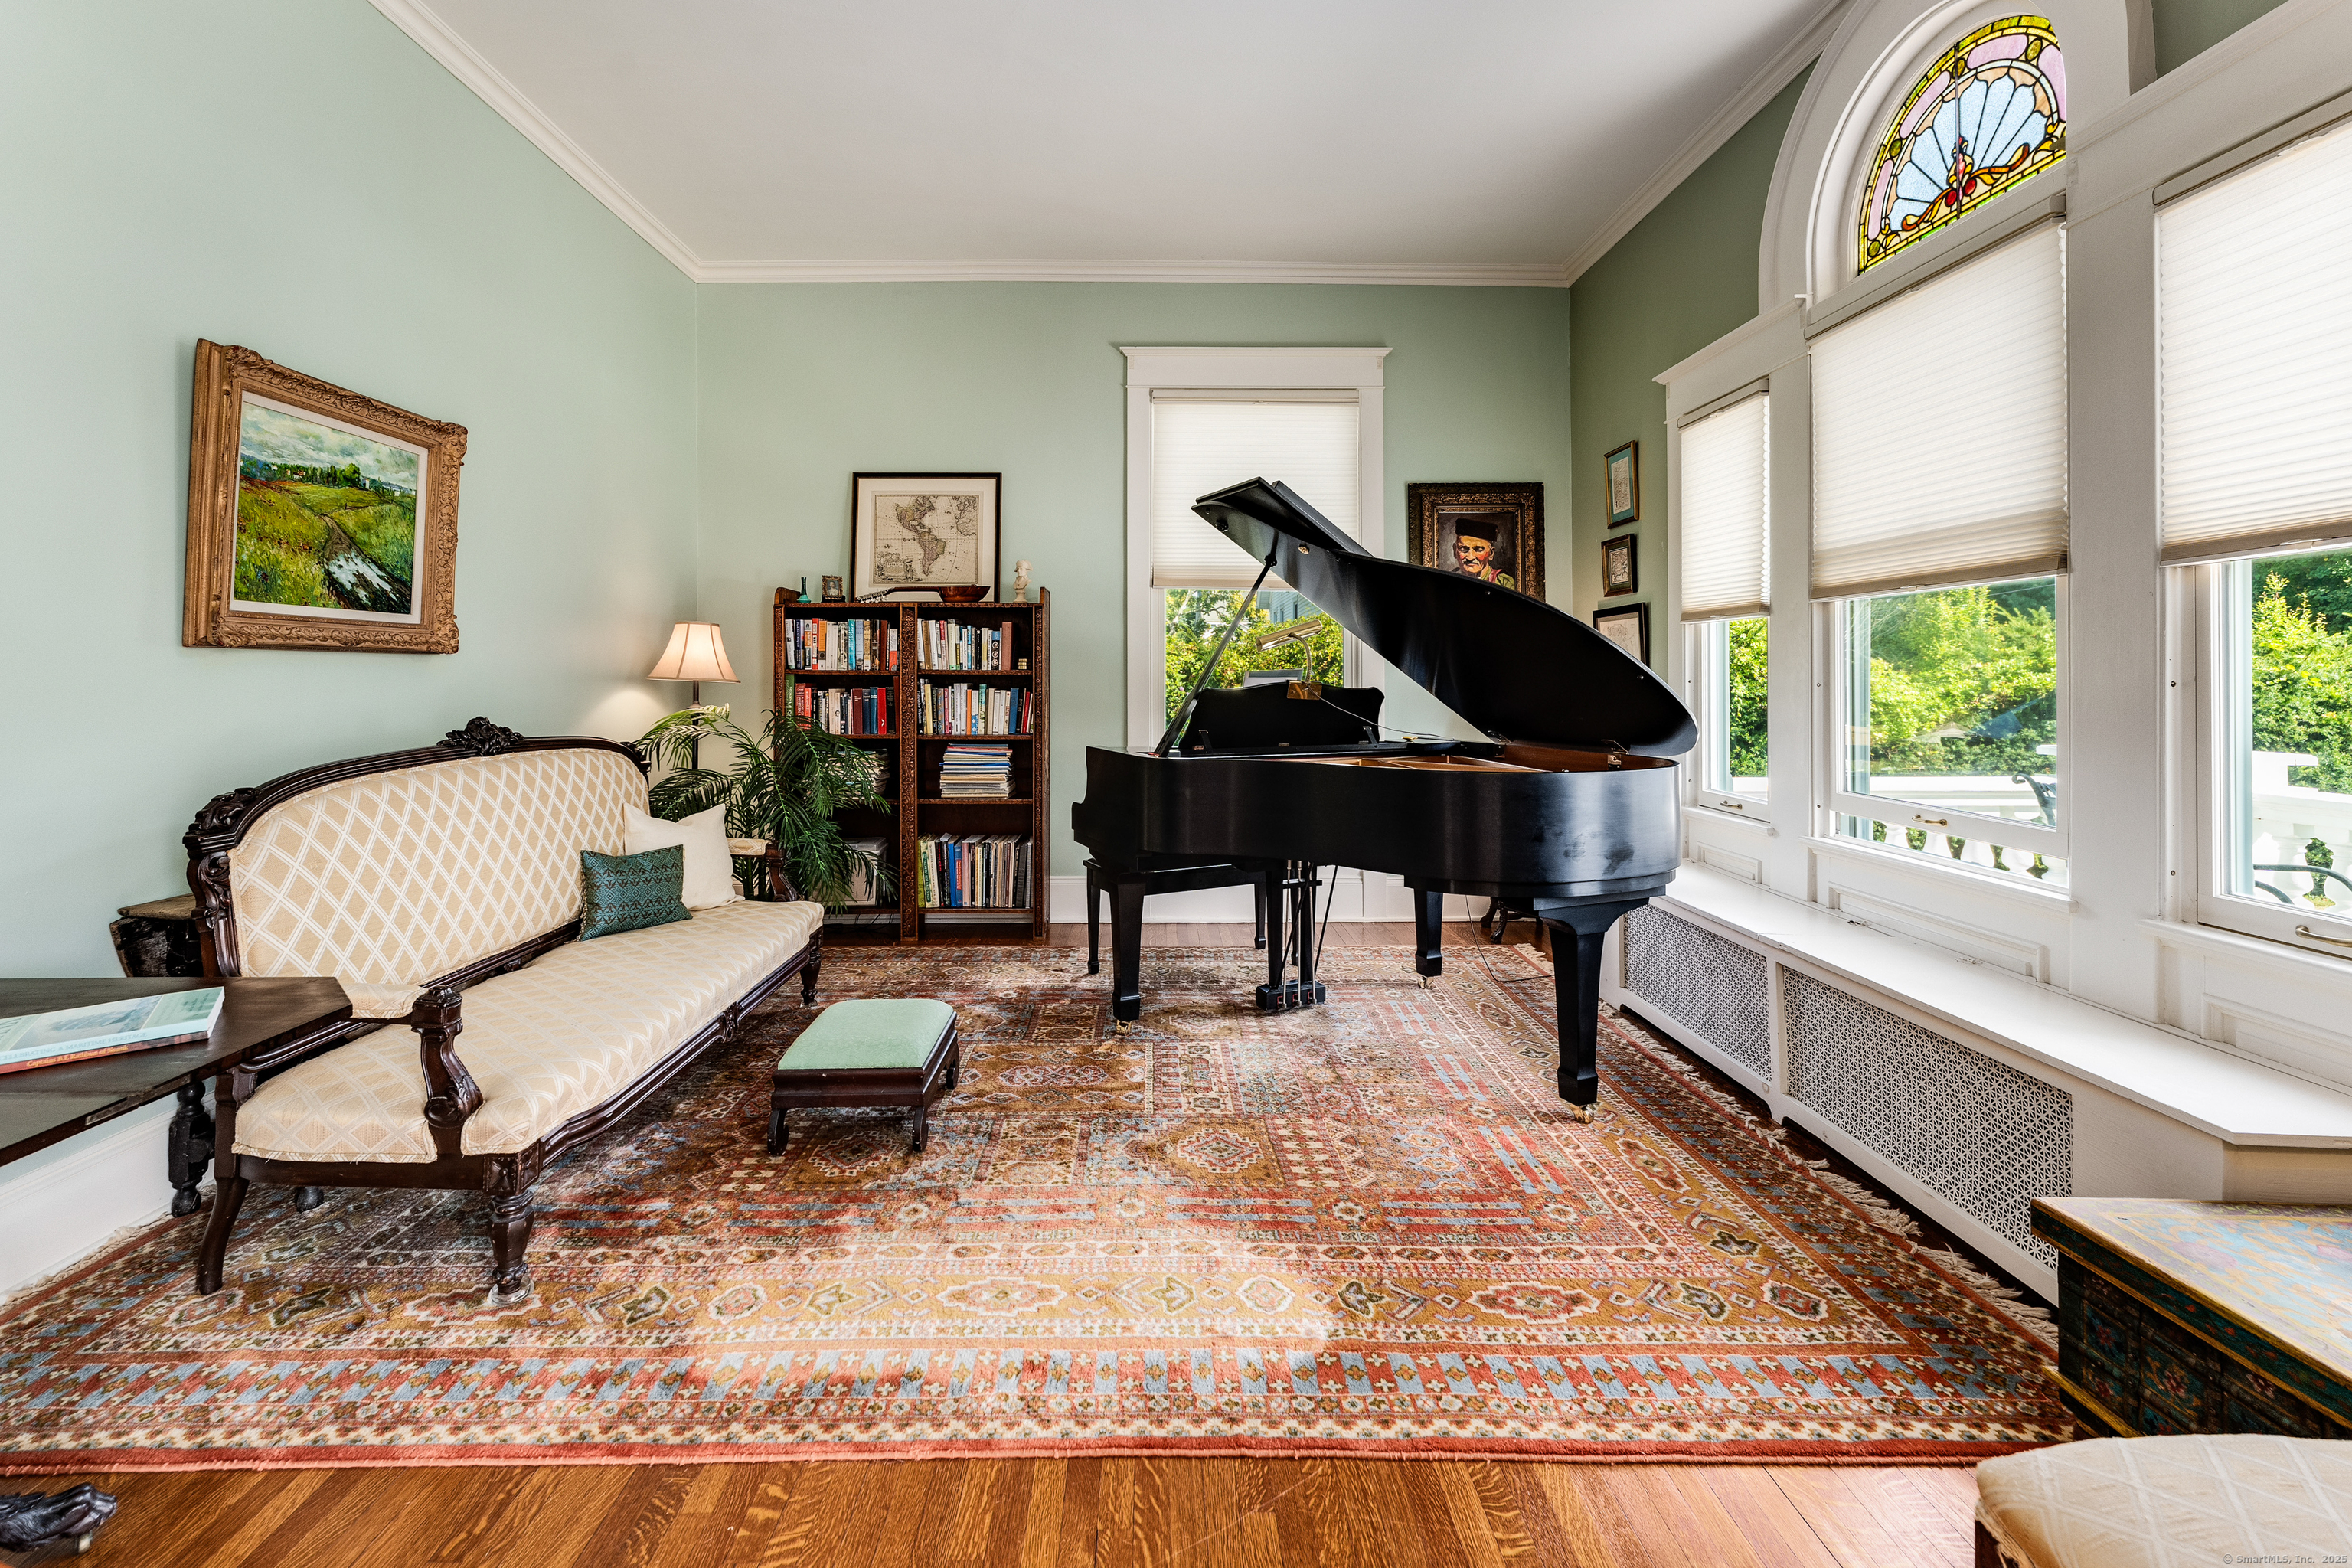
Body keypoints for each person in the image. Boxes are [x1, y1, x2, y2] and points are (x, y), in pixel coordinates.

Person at [1450, 516, 1516, 590]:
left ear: (1491, 554)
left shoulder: (1504, 583)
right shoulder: (1448, 581)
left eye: (1479, 550)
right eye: (1463, 549)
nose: (1470, 557)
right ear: (1455, 551)